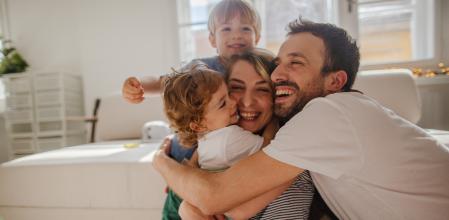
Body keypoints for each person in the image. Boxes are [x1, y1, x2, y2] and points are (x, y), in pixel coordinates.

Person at [153, 18, 449, 220]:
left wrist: (161, 162)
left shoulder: (329, 114)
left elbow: (216, 198)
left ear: (335, 81)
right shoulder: (303, 130)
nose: (278, 74)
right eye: (279, 64)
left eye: (296, 63)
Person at [164, 51, 315, 220]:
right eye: (235, 88)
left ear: (276, 96)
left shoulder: (291, 164)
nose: (245, 102)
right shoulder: (204, 155)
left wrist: (162, 163)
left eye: (263, 89)